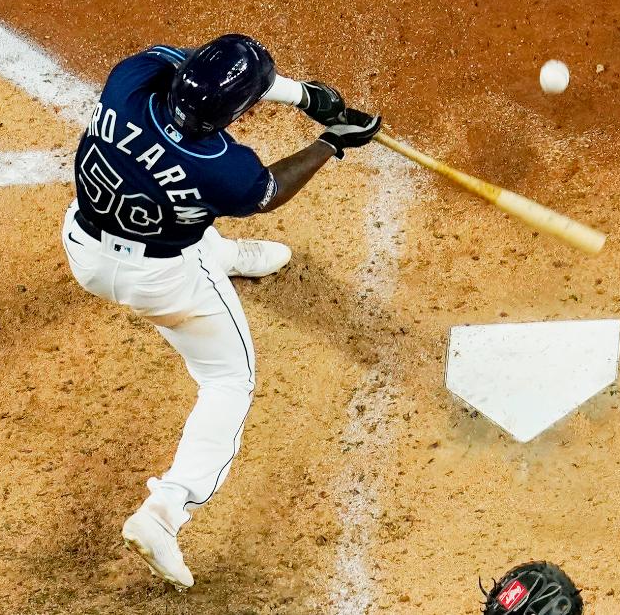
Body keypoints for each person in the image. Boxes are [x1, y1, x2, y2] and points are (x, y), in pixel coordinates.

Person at [61, 34, 381, 589]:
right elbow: (268, 191)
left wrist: (302, 95)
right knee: (229, 381)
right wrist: (333, 141)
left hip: (85, 248)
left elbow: (185, 65)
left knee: (175, 205)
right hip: (162, 280)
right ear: (235, 113)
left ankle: (225, 256)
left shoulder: (129, 80)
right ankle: (166, 510)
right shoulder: (225, 171)